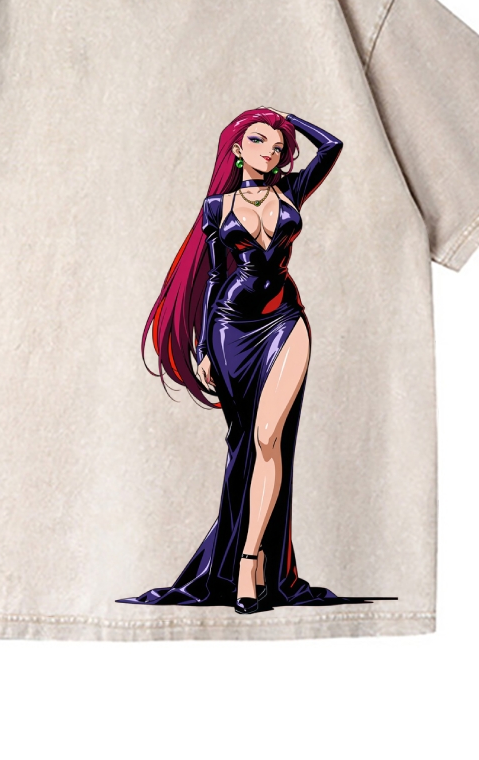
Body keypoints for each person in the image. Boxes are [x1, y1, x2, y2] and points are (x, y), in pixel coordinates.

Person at [118, 107, 396, 613]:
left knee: (269, 438)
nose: (271, 150)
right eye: (258, 140)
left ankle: (250, 562)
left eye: (278, 144)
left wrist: (290, 119)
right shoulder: (216, 207)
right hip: (230, 328)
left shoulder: (292, 190)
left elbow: (331, 147)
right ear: (236, 149)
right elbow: (212, 277)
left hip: (286, 321)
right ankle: (246, 560)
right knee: (244, 440)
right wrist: (203, 347)